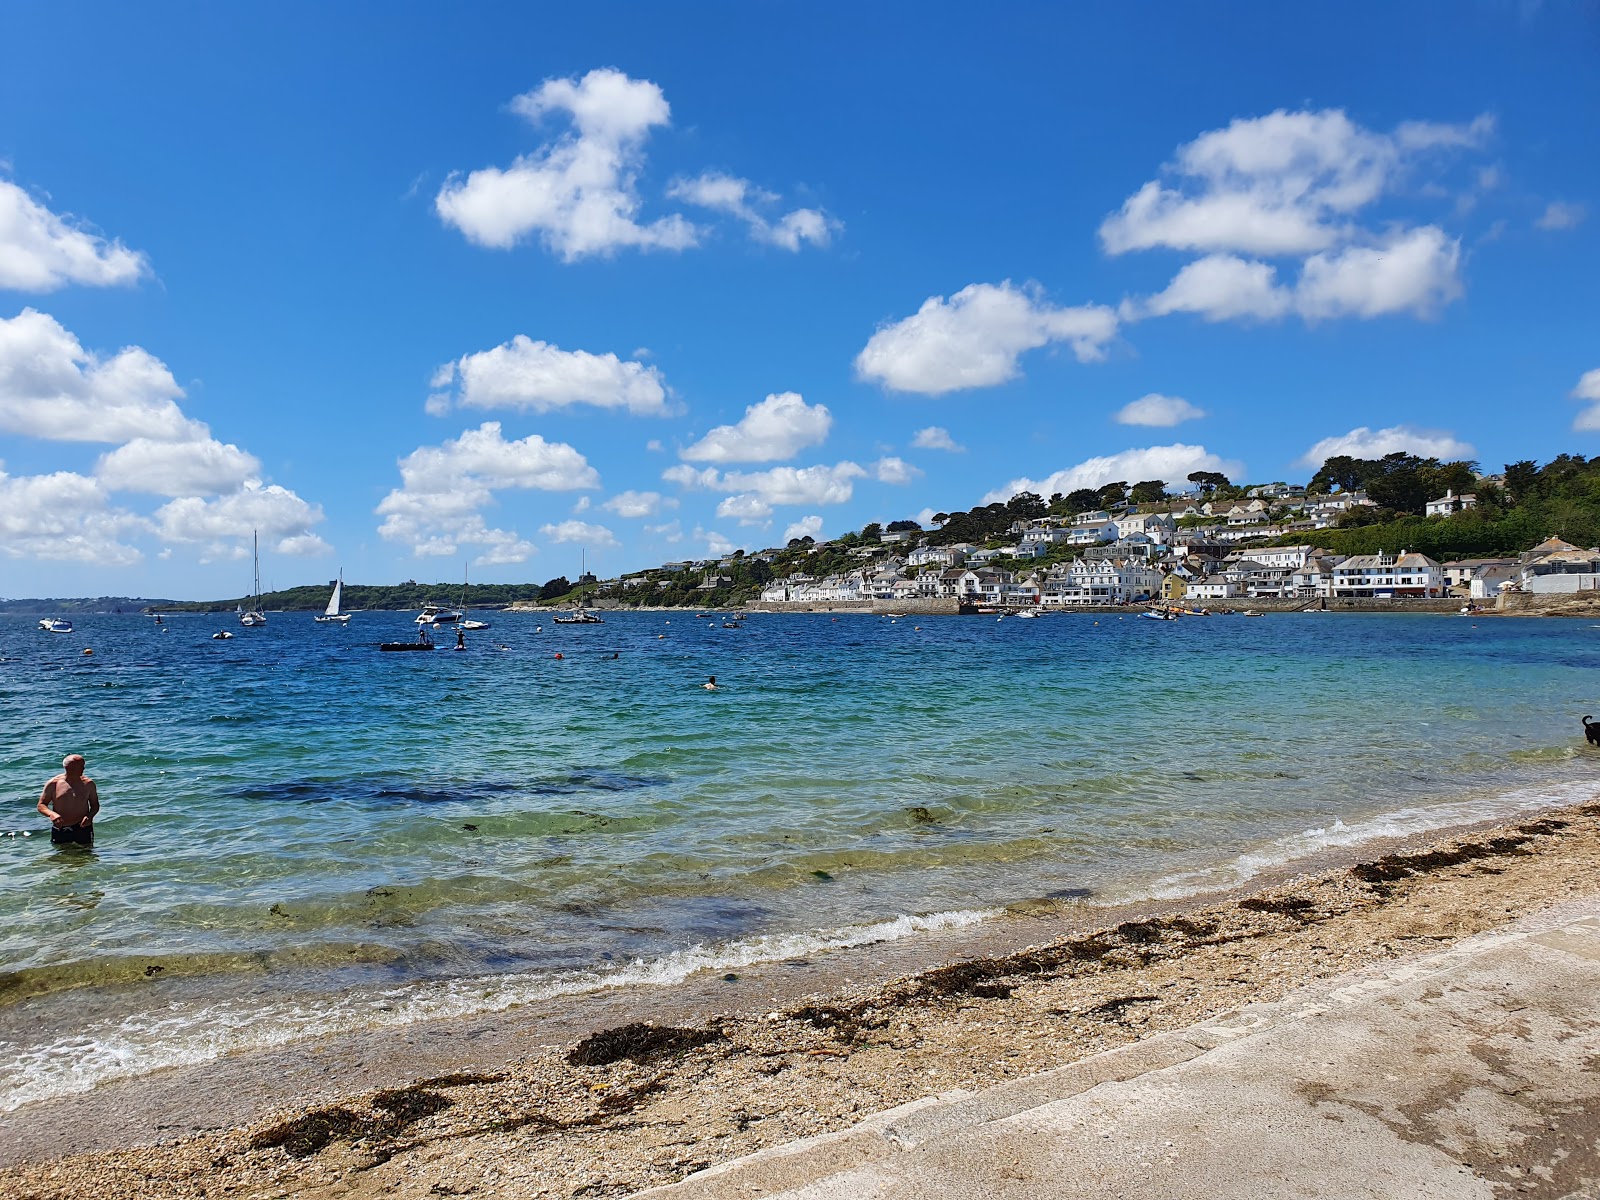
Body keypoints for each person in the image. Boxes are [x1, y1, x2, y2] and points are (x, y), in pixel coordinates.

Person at [39, 754, 99, 847]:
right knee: (61, 857)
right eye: (80, 766)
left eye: (83, 766)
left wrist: (89, 816)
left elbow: (95, 805)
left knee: (87, 856)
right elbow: (41, 805)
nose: (83, 769)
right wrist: (52, 814)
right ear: (68, 768)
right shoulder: (53, 784)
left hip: (83, 827)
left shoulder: (88, 784)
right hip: (60, 827)